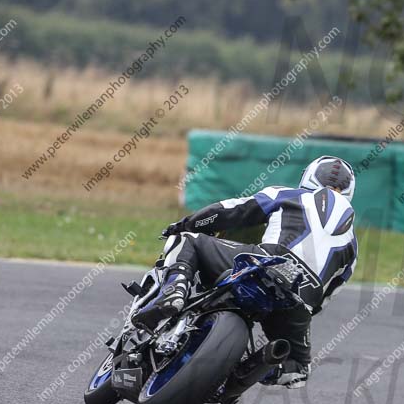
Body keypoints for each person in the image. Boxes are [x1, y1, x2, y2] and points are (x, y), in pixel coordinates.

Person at [132, 156, 358, 389]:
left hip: (266, 262)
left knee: (187, 241)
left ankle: (174, 291)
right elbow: (327, 295)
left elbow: (230, 211)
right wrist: (300, 313)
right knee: (298, 370)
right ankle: (242, 376)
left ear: (308, 176)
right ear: (350, 191)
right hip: (302, 297)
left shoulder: (288, 194)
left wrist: (186, 224)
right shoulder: (353, 245)